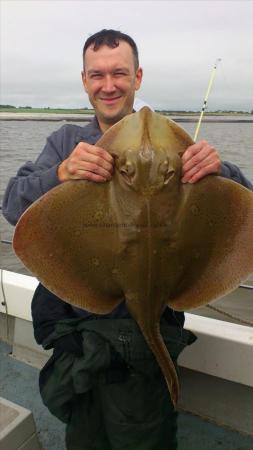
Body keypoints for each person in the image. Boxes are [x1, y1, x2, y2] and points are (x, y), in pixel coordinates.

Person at [3, 29, 253, 450]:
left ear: (137, 77)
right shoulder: (66, 143)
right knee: (84, 434)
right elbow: (13, 204)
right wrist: (61, 175)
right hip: (77, 331)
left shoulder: (181, 149)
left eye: (119, 72)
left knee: (142, 434)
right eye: (97, 74)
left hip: (146, 329)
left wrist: (221, 173)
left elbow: (245, 213)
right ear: (84, 80)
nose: (108, 84)